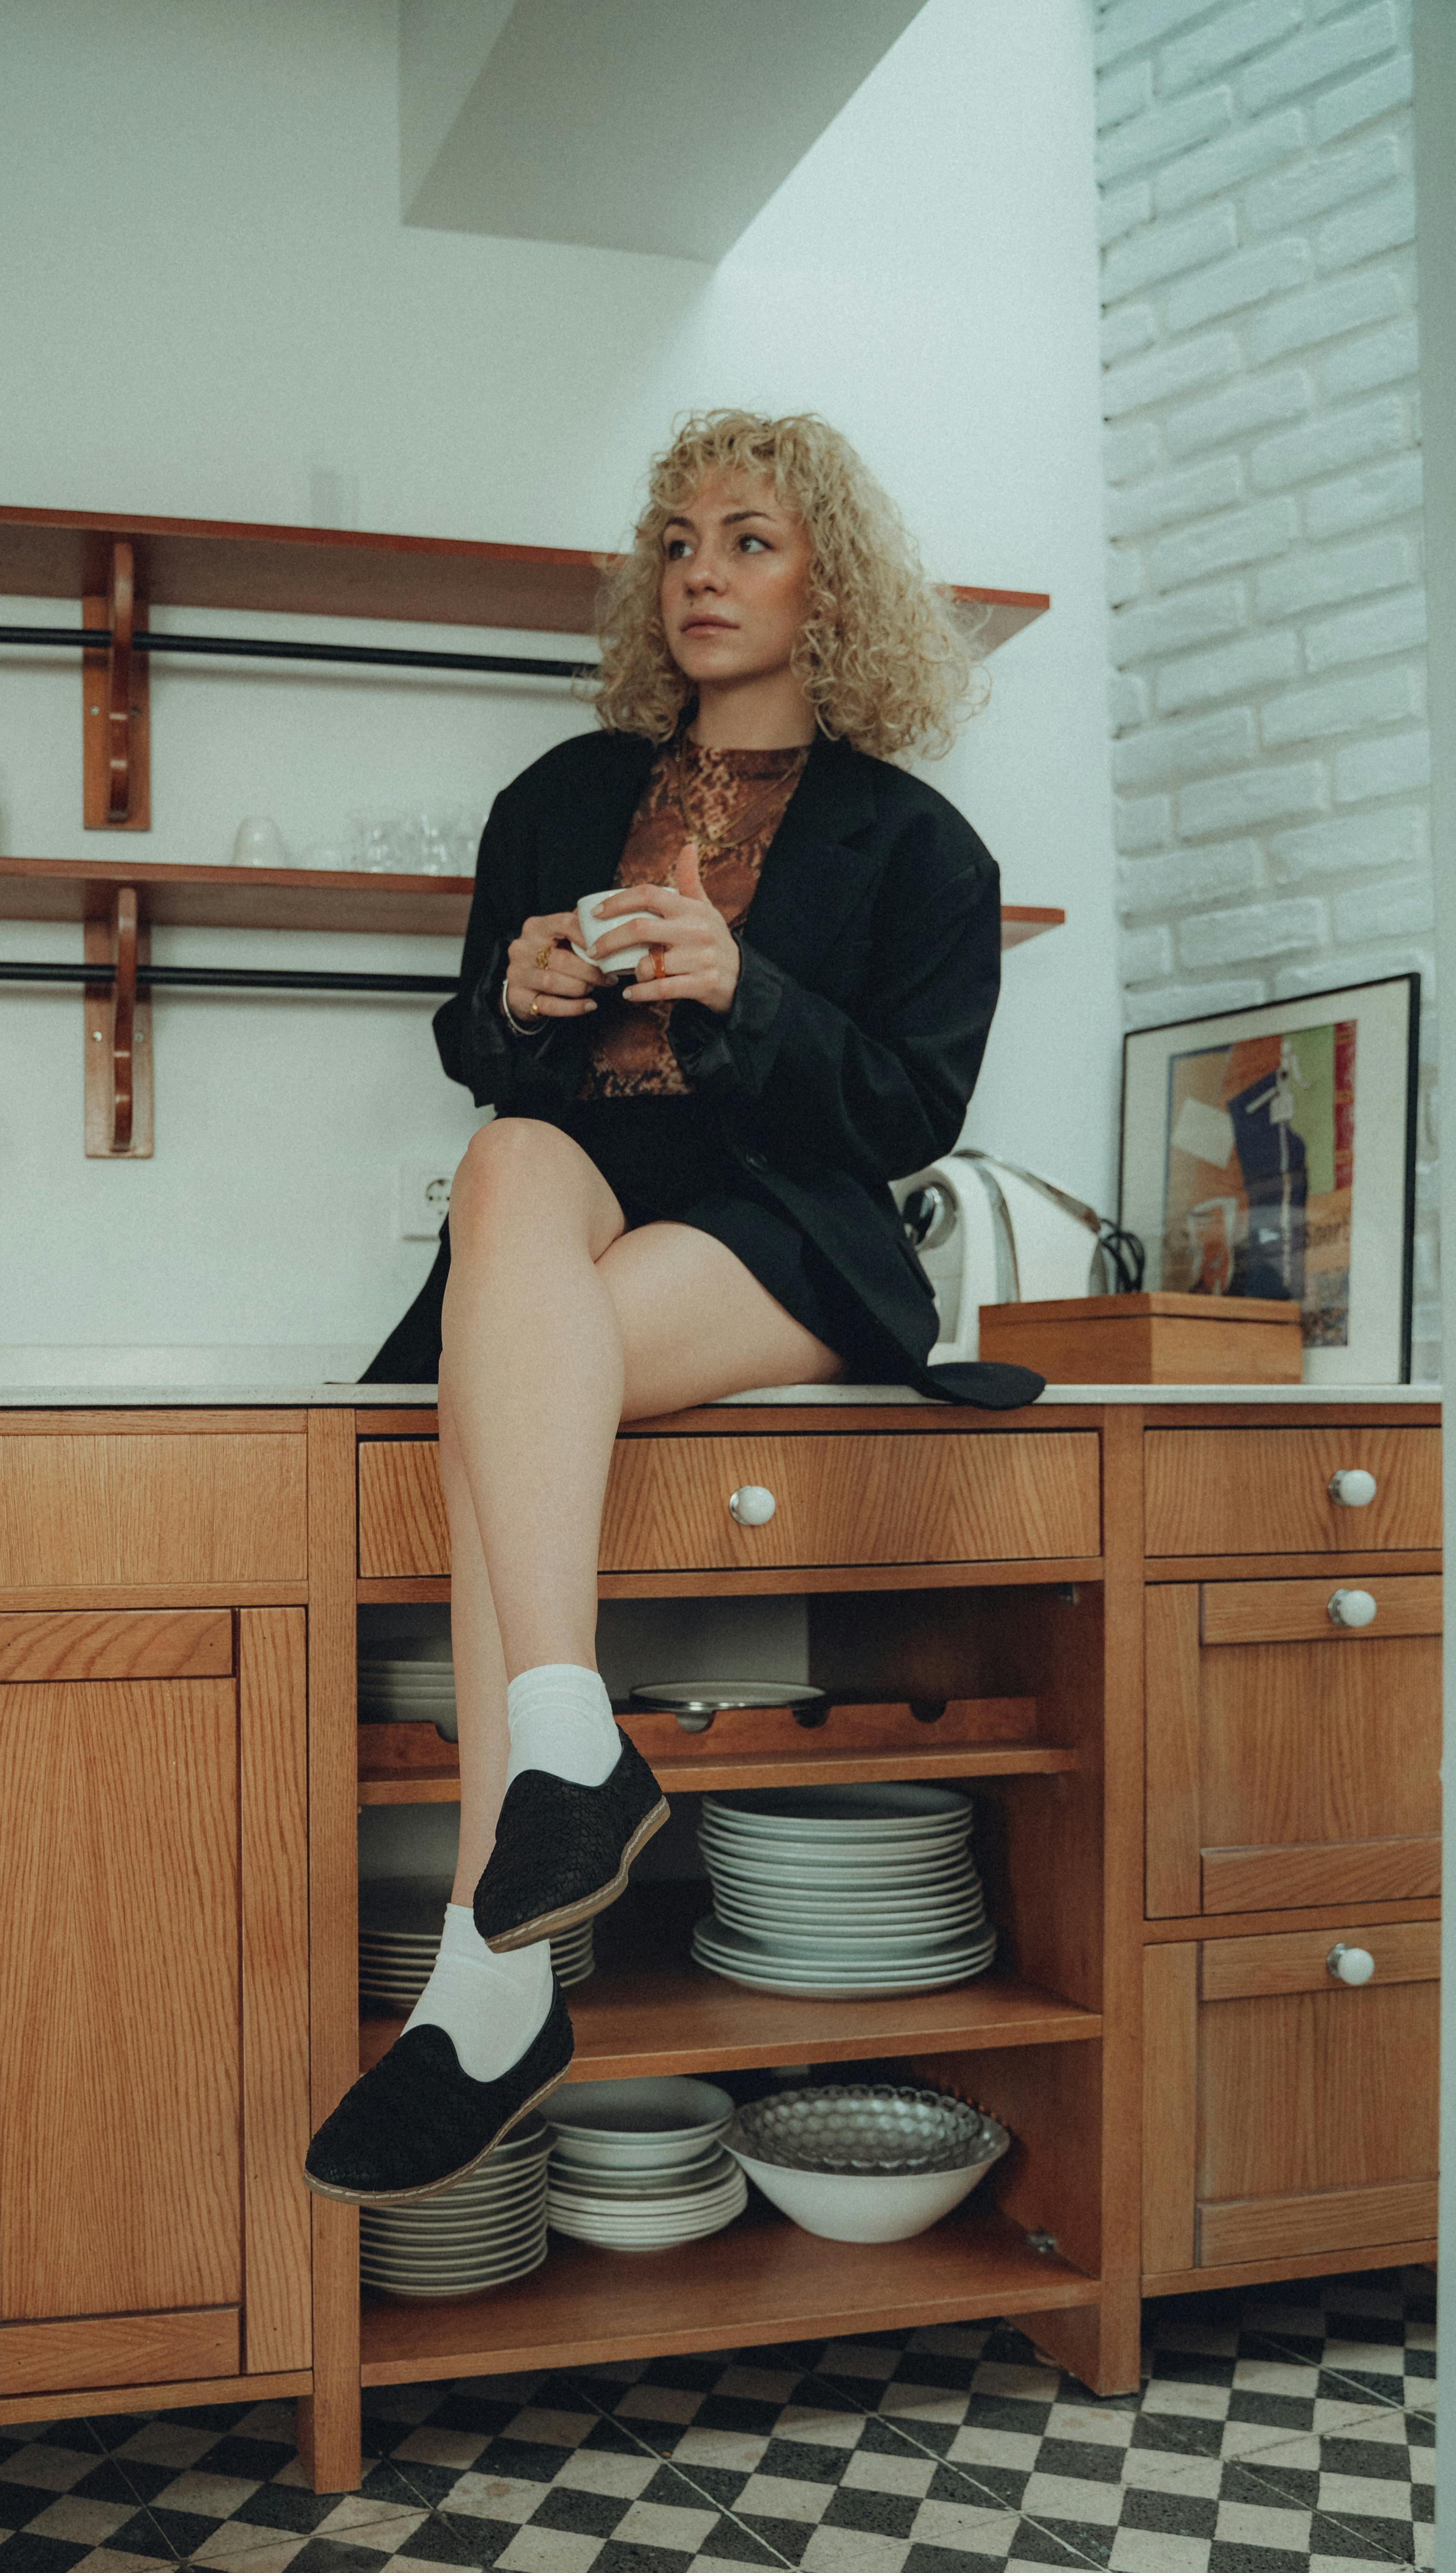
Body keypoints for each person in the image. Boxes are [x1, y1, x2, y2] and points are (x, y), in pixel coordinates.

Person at [303, 409, 1040, 2207]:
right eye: (677, 541)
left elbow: (907, 1115)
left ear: (829, 579)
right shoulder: (562, 795)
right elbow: (474, 1058)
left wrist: (744, 986)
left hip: (780, 1228)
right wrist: (527, 992)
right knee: (501, 1182)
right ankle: (567, 1731)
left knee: (510, 1385)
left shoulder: (919, 844)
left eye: (748, 539)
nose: (700, 571)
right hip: (570, 1205)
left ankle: (494, 1985)